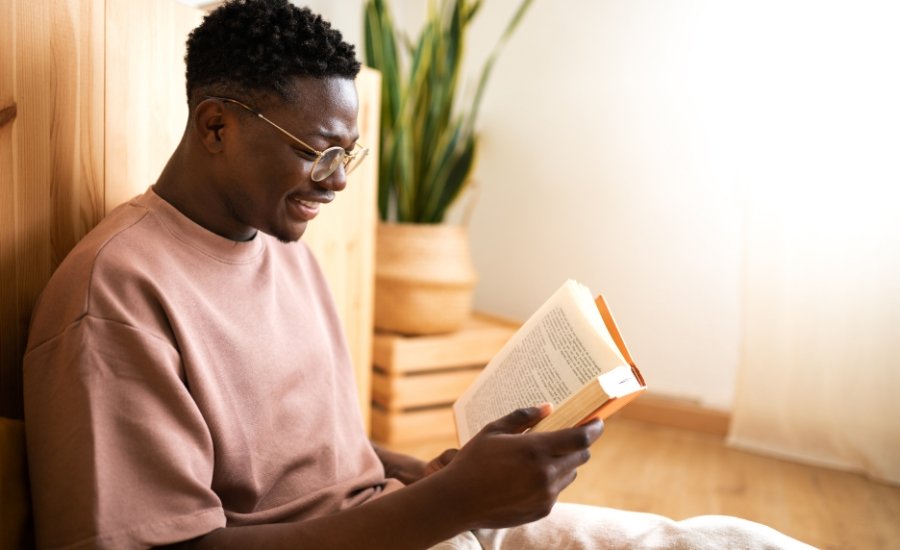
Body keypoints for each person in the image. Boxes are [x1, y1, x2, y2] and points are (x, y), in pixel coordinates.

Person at [22, 1, 813, 548]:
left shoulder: (278, 239)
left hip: (402, 519)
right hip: (404, 531)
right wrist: (450, 502)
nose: (337, 179)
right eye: (318, 151)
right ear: (216, 125)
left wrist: (424, 474)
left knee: (725, 539)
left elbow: (296, 457)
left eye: (349, 153)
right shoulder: (116, 294)